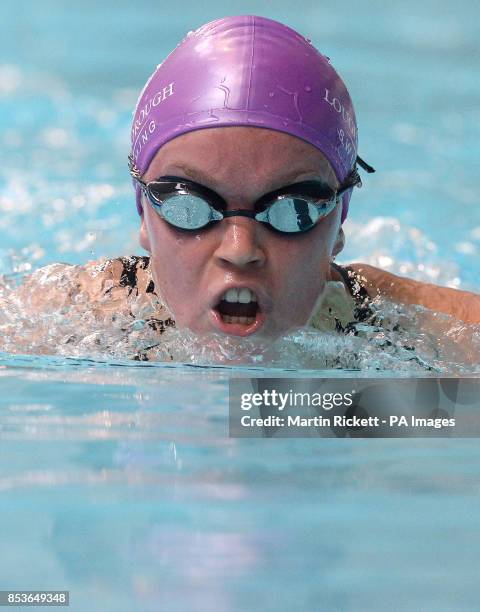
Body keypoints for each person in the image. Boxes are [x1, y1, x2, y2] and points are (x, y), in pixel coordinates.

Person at [11, 15, 480, 359]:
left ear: (339, 220)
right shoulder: (80, 314)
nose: (239, 250)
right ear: (142, 212)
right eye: (189, 205)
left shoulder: (396, 324)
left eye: (292, 209)